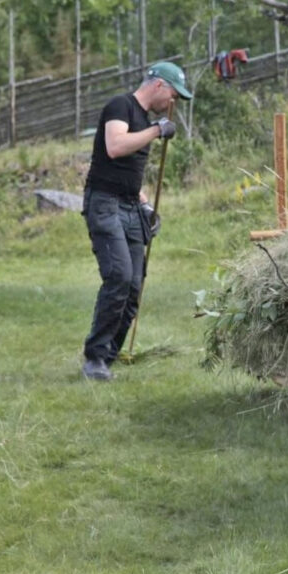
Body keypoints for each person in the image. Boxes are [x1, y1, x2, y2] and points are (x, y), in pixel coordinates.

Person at [80, 61, 191, 380]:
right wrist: (156, 131)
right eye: (173, 95)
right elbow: (115, 147)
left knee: (133, 288)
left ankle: (107, 360)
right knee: (119, 277)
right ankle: (95, 357)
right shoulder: (121, 106)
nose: (173, 104)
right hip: (105, 205)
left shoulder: (142, 120)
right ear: (158, 85)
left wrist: (144, 206)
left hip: (129, 207)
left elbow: (127, 173)